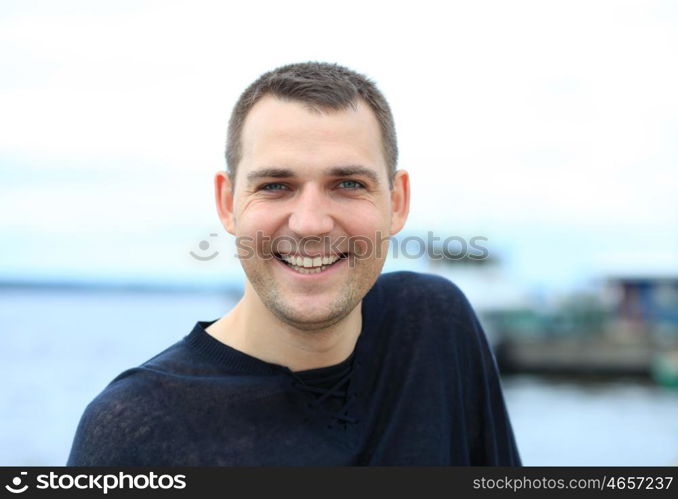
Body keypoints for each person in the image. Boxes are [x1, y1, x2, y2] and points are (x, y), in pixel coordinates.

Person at [67, 61, 521, 466]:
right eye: (275, 186)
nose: (309, 225)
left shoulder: (432, 324)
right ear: (227, 203)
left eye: (347, 183)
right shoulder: (137, 430)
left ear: (396, 201)